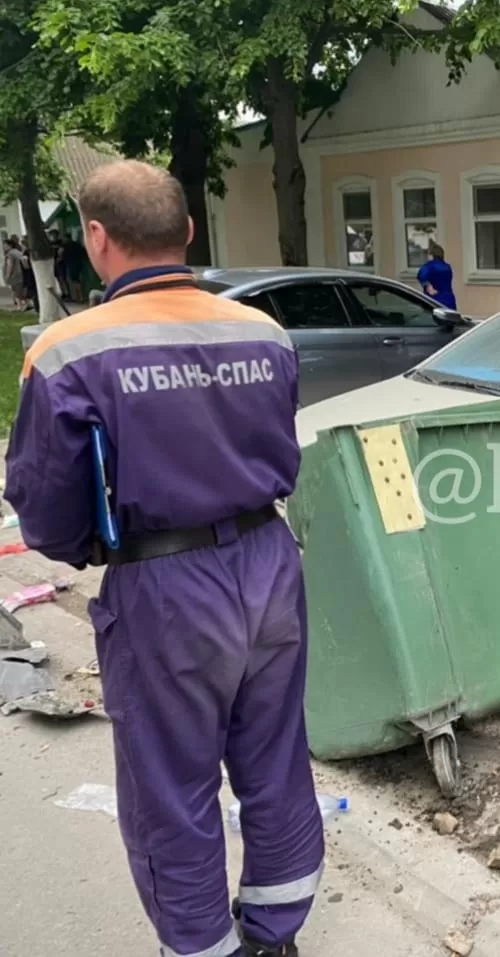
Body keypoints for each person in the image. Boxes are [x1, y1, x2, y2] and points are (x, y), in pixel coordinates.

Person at [4, 161, 323, 957]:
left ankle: (202, 947)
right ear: (185, 232)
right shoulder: (264, 332)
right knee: (276, 760)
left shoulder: (69, 350)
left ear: (97, 238)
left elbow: (43, 505)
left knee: (169, 789)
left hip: (167, 585)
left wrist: (94, 546)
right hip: (270, 562)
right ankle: (275, 933)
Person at [416, 242, 457, 310]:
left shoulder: (429, 266)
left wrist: (428, 286)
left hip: (434, 300)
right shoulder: (447, 267)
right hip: (449, 299)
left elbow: (421, 275)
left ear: (432, 255)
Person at [4, 237, 27, 310]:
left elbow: (9, 265)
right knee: (20, 289)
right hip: (21, 273)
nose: (3, 247)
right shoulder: (17, 251)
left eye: (5, 245)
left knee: (16, 290)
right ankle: (24, 304)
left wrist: (7, 275)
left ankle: (19, 306)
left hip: (14, 275)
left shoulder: (10, 254)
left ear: (9, 245)